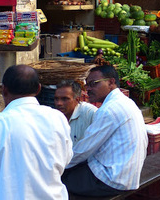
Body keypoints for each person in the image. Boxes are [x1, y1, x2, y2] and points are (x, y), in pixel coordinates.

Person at [62, 65, 148, 197]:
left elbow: (84, 149)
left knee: (60, 181)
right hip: (127, 175)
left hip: (111, 179)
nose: (88, 89)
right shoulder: (127, 102)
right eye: (87, 85)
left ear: (111, 82)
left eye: (93, 84)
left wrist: (60, 166)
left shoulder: (109, 110)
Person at [0, 65, 72, 200]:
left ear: (4, 89)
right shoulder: (57, 117)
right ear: (38, 89)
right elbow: (66, 159)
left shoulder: (0, 123)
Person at [54, 80, 97, 147]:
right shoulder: (54, 117)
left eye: (65, 99)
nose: (59, 103)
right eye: (56, 99)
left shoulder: (90, 113)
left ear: (77, 99)